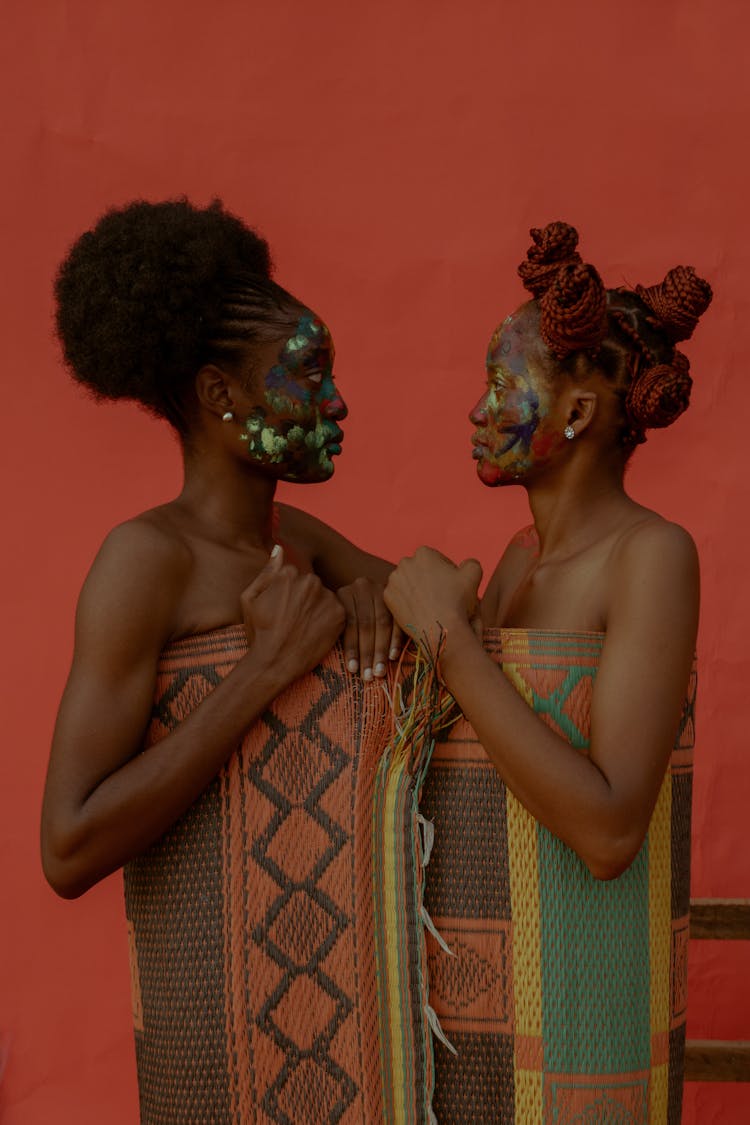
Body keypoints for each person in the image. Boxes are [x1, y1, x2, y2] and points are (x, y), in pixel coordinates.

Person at [41, 199, 437, 1124]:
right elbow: (67, 844)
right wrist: (264, 672)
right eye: (309, 373)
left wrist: (376, 598)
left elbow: (448, 595)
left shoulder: (295, 537)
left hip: (342, 1037)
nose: (338, 400)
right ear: (221, 397)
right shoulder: (146, 561)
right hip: (212, 1034)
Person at [384, 221, 711, 1124]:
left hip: (591, 1016)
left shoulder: (650, 556)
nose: (477, 410)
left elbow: (609, 833)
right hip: (496, 1011)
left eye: (500, 385)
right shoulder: (520, 560)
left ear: (574, 414)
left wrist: (451, 637)